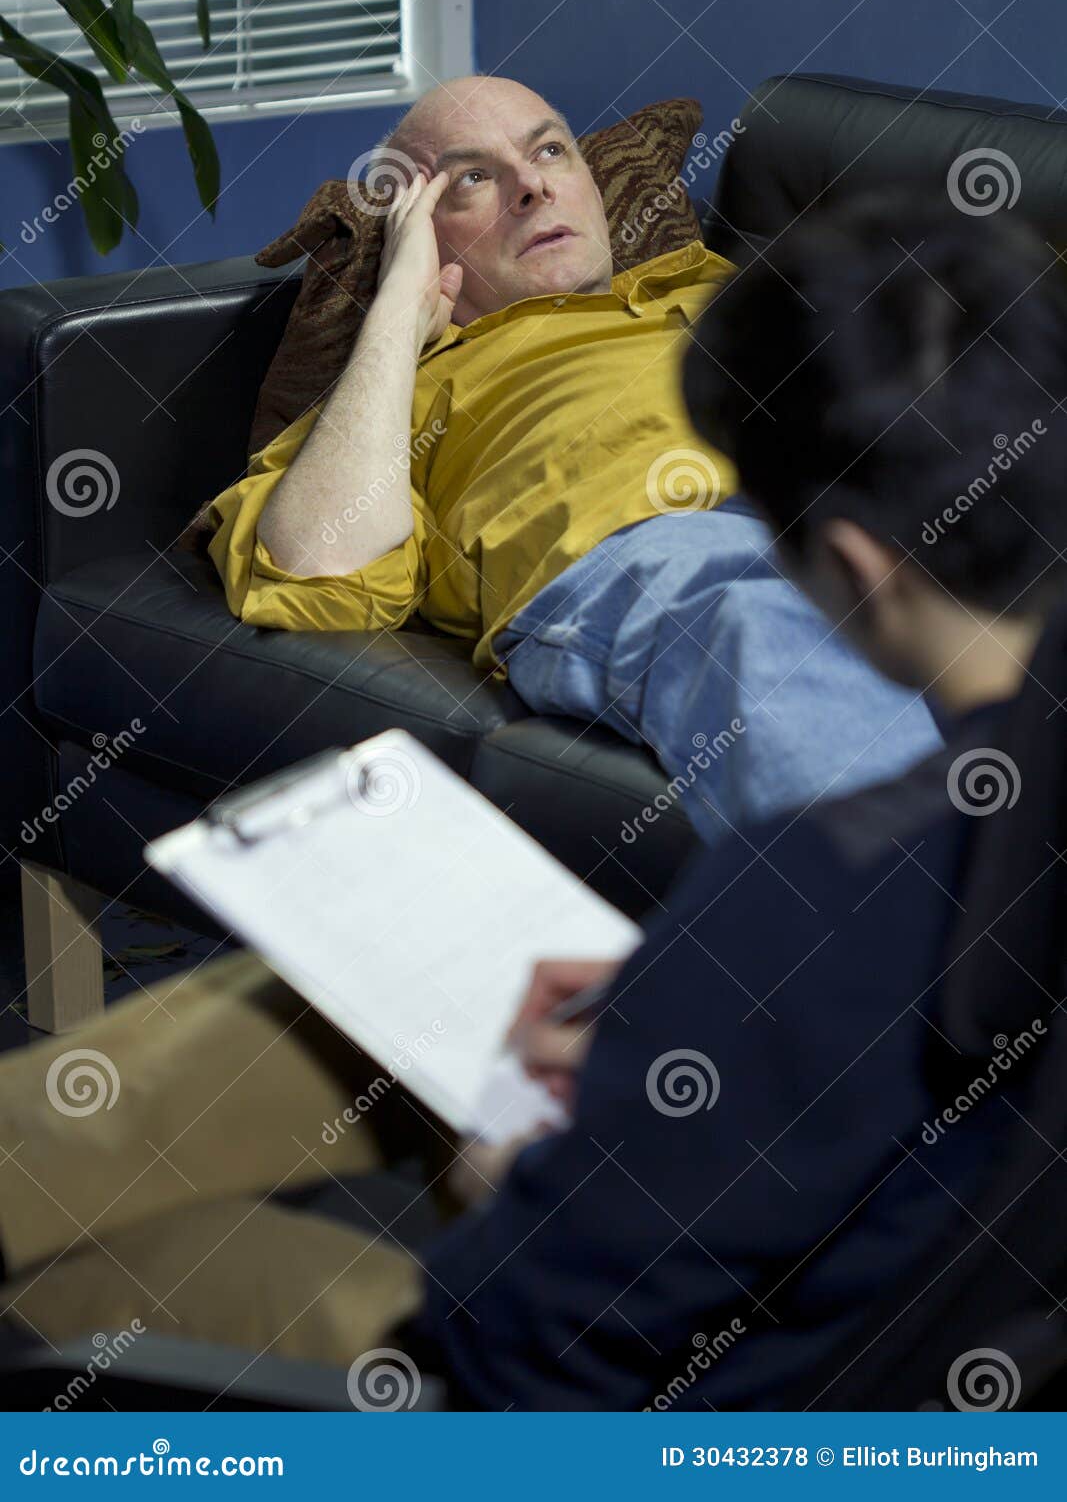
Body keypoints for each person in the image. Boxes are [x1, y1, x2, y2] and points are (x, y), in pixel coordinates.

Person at [2, 198, 1063, 1409]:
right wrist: (671, 1014)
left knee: (72, 1282)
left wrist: (519, 1168)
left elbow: (514, 1342)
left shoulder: (831, 886)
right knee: (382, 981)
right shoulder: (909, 875)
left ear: (853, 569)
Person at [203, 75, 939, 846]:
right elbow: (314, 567)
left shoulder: (735, 285)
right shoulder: (406, 391)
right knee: (752, 615)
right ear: (424, 237)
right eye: (473, 180)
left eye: (550, 150)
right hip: (668, 552)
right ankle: (932, 938)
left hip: (878, 514)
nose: (532, 188)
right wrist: (395, 306)